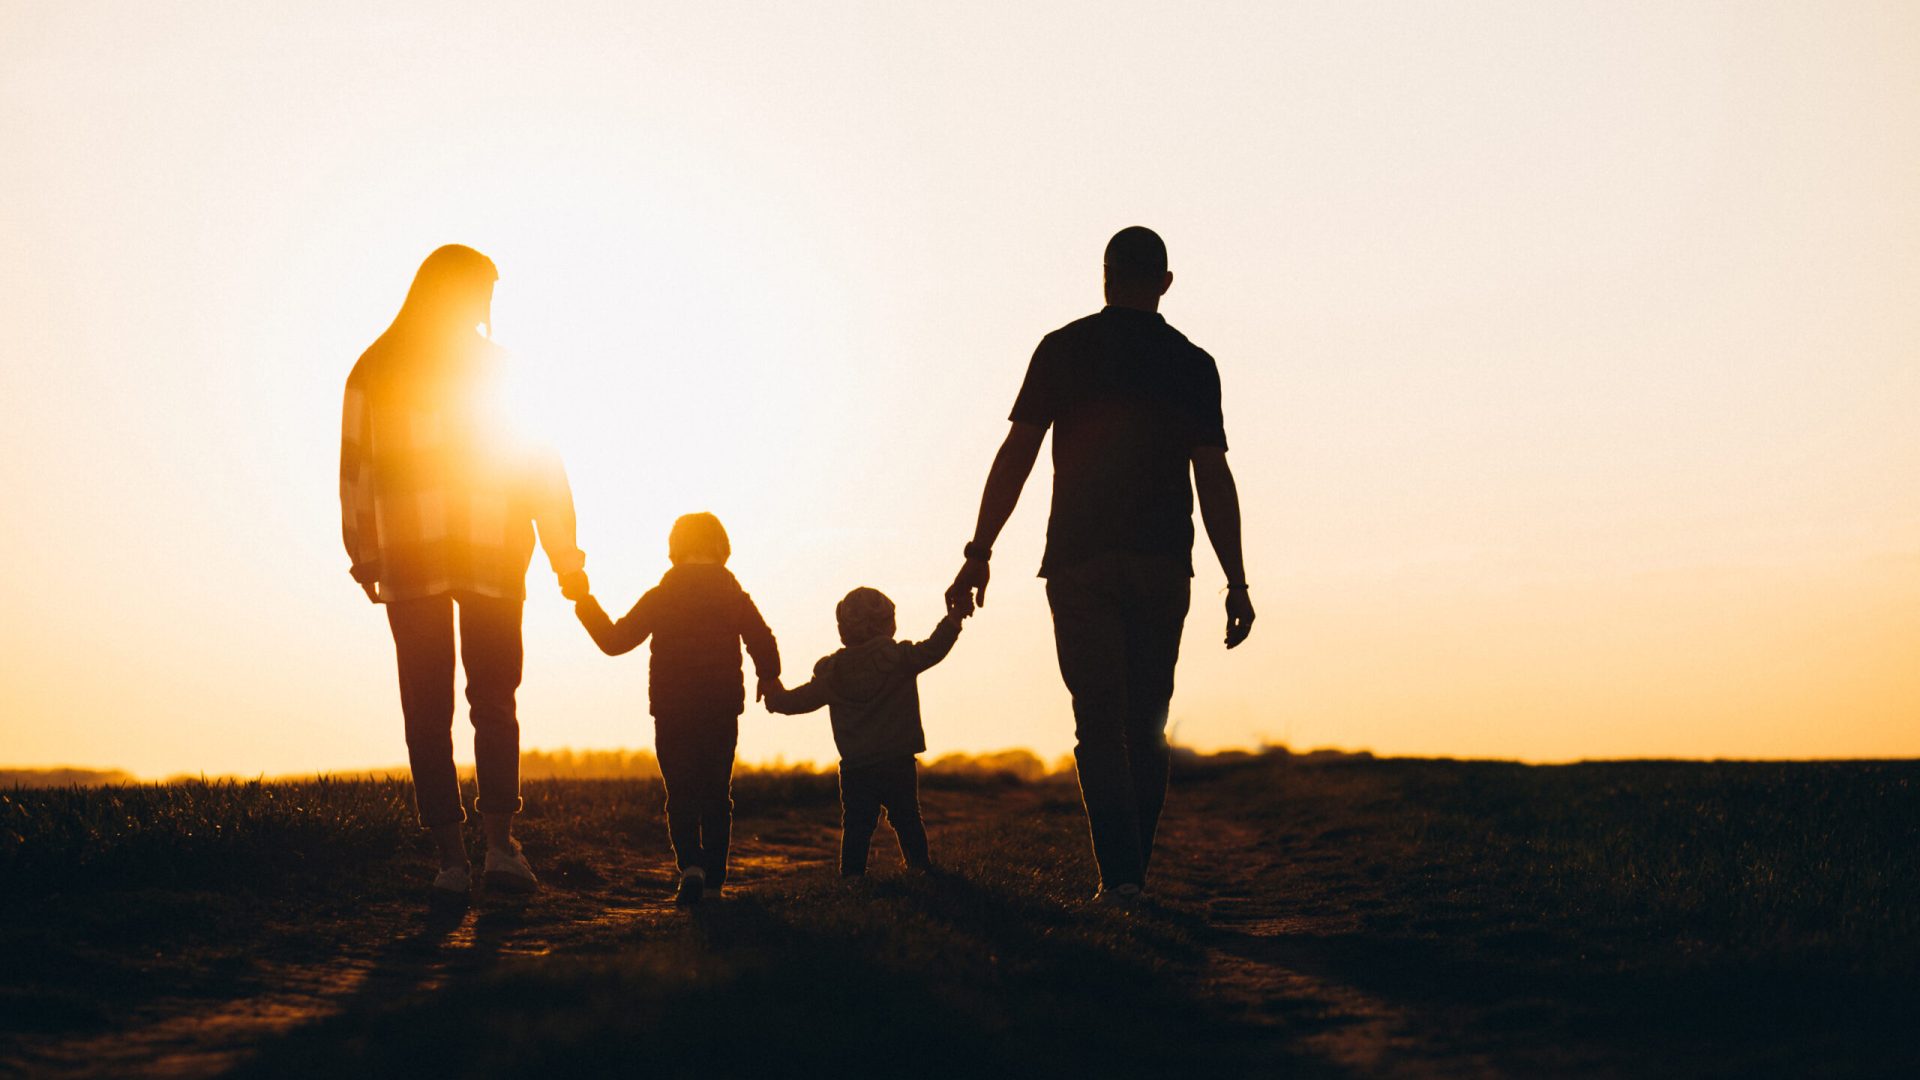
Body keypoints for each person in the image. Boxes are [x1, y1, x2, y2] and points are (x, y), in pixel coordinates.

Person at [945, 226, 1254, 908]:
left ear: (1105, 276)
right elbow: (1214, 478)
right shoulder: (1193, 363)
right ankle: (1129, 876)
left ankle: (1120, 879)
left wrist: (978, 552)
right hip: (1163, 562)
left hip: (1080, 560)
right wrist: (1236, 579)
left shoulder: (1064, 349)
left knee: (1099, 723)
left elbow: (1017, 455)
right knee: (1144, 724)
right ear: (1165, 283)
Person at [341, 244, 589, 902]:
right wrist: (566, 557)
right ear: (455, 292)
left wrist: (364, 550)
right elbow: (541, 474)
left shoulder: (375, 368)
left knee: (430, 709)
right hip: (485, 552)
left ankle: (459, 861)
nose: (488, 306)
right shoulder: (484, 370)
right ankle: (494, 850)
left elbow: (354, 472)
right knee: (489, 702)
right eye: (484, 291)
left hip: (429, 553)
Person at [574, 512, 780, 904]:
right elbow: (762, 640)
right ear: (722, 549)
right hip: (720, 707)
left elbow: (615, 641)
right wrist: (769, 677)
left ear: (674, 549)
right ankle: (716, 881)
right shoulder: (733, 595)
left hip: (672, 708)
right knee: (718, 792)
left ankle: (691, 868)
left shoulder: (662, 596)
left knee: (681, 791)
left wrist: (584, 603)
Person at [762, 588, 964, 877]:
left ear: (844, 628)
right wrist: (954, 619)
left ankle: (852, 879)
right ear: (886, 623)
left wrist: (772, 692)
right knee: (907, 818)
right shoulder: (899, 658)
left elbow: (797, 702)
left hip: (856, 766)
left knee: (857, 825)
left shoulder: (832, 672)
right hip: (898, 760)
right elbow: (935, 648)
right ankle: (920, 871)